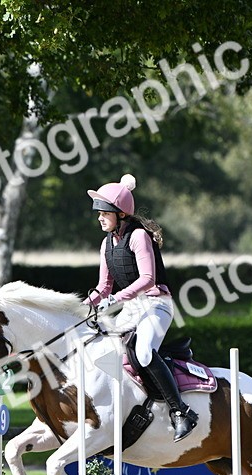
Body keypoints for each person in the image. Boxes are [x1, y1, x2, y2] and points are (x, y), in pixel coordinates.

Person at [85, 173, 198, 442]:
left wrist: (116, 299)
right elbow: (103, 287)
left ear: (120, 213)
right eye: (98, 213)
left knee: (144, 352)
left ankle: (180, 412)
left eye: (104, 212)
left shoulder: (138, 237)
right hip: (130, 308)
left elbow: (147, 279)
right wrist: (82, 307)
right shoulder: (106, 244)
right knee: (99, 347)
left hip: (156, 304)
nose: (99, 217)